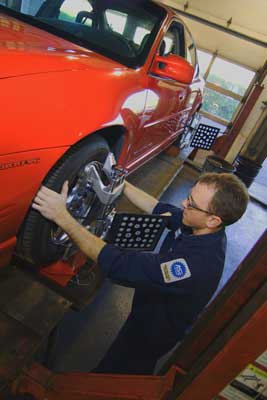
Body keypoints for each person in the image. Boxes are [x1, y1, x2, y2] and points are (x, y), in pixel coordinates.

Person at [32, 172, 249, 375]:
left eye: (191, 204)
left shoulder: (195, 265)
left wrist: (63, 217)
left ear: (213, 220)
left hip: (150, 335)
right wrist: (121, 182)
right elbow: (156, 207)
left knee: (113, 375)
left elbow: (121, 264)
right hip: (146, 314)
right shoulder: (199, 226)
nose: (184, 204)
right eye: (188, 196)